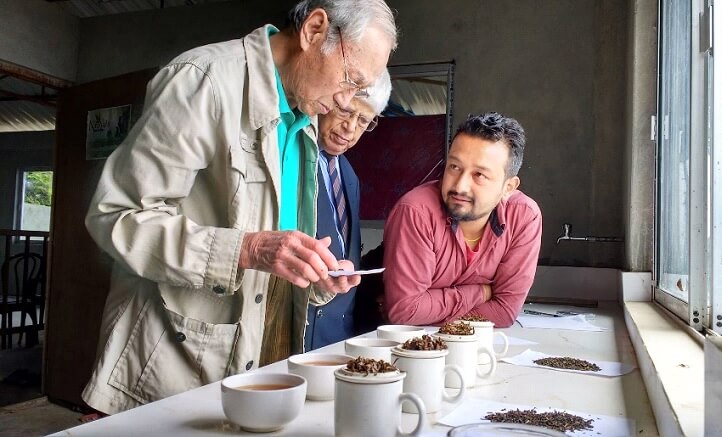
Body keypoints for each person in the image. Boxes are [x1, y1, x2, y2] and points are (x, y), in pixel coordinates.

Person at [81, 0, 397, 414]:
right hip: (170, 364)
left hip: (262, 353)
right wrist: (246, 249)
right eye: (351, 80)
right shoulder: (204, 80)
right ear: (314, 30)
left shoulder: (303, 125)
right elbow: (115, 217)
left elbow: (276, 258)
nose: (347, 103)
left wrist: (315, 276)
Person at [383, 112, 542, 328]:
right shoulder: (416, 212)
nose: (460, 186)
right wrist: (480, 292)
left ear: (508, 188)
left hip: (478, 350)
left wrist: (429, 309)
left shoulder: (524, 217)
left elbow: (504, 313)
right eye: (454, 167)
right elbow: (405, 312)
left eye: (479, 175)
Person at [305, 70, 392, 351]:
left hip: (336, 337)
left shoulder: (349, 175)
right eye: (345, 112)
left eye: (363, 120)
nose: (350, 129)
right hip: (295, 334)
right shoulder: (294, 158)